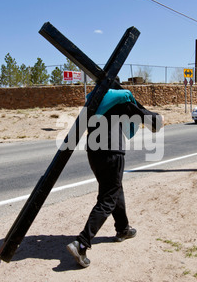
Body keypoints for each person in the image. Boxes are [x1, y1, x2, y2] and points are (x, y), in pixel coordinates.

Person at [67, 83, 164, 268]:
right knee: (108, 198)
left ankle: (122, 229)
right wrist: (158, 118)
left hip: (94, 153)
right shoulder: (119, 101)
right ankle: (81, 243)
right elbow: (145, 117)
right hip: (112, 151)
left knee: (114, 188)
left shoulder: (94, 102)